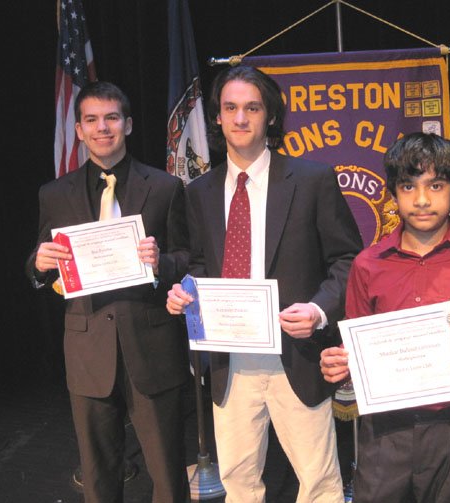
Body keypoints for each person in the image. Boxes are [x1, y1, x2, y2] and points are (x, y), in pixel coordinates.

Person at [166, 65, 363, 503]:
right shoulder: (199, 192)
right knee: (239, 482)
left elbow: (348, 260)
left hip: (296, 354)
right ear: (217, 117)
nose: (240, 119)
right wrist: (186, 290)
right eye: (230, 108)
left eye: (252, 108)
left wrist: (317, 310)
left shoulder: (312, 181)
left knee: (319, 483)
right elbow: (199, 263)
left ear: (270, 115)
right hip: (229, 359)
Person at [320, 132, 450, 503]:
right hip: (384, 428)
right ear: (394, 194)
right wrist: (341, 362)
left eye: (437, 185)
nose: (422, 199)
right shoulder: (368, 264)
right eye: (408, 186)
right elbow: (355, 347)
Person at [25, 81, 190, 502]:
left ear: (128, 124)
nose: (103, 128)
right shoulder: (54, 194)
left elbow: (189, 257)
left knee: (168, 474)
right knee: (98, 475)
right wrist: (39, 266)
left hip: (151, 348)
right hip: (88, 351)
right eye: (92, 120)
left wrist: (162, 264)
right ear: (78, 129)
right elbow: (41, 262)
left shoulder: (165, 187)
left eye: (112, 118)